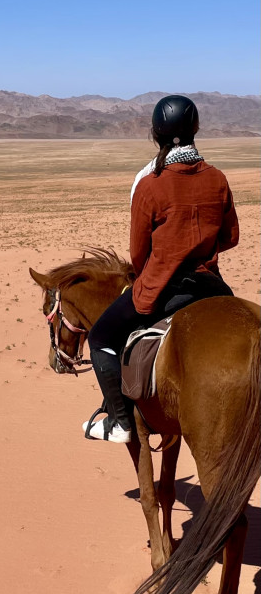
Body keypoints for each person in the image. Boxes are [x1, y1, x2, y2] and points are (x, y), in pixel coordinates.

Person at [83, 94, 239, 443]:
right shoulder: (218, 179)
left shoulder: (151, 185)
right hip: (212, 286)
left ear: (156, 134)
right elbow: (230, 237)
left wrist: (164, 261)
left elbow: (139, 253)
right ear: (196, 128)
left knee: (101, 338)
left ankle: (121, 421)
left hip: (163, 288)